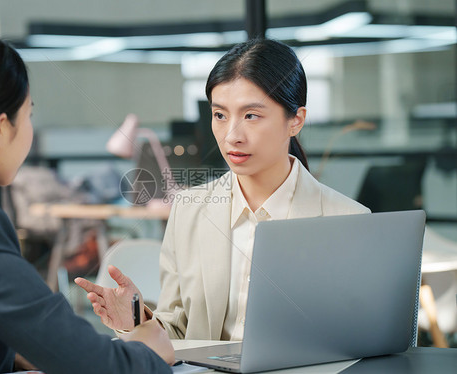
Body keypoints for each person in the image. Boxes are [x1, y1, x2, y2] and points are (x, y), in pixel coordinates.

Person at [0, 32, 173, 373]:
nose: (29, 128)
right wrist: (149, 347)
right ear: (0, 129)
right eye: (28, 114)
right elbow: (98, 367)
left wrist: (23, 354)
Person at [75, 38, 370, 340]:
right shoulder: (189, 209)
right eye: (220, 115)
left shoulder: (350, 220)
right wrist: (137, 320)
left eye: (251, 115)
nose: (232, 136)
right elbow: (178, 330)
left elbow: (356, 338)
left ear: (295, 120)